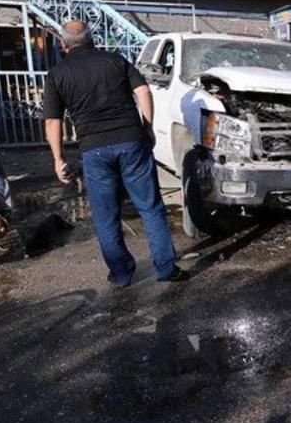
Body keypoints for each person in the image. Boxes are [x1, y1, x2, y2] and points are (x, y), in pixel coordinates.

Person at [43, 21, 186, 286]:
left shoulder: (57, 74)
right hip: (132, 141)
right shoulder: (115, 60)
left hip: (94, 151)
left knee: (106, 216)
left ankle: (121, 274)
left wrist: (58, 158)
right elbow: (143, 90)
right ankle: (166, 269)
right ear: (91, 39)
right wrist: (147, 127)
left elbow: (53, 121)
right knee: (151, 208)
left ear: (64, 45)